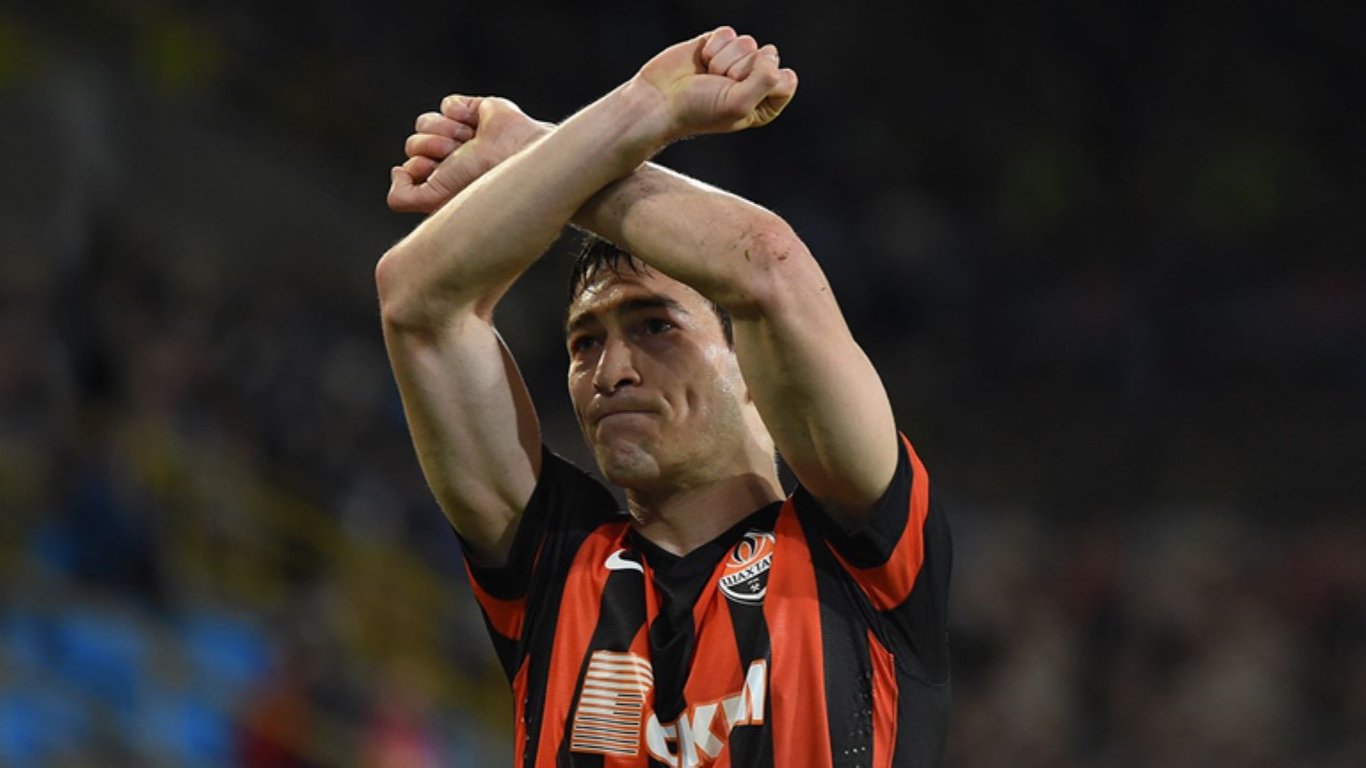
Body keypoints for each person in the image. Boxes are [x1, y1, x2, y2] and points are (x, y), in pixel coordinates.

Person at [376, 26, 951, 767]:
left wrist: (534, 147)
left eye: (655, 327)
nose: (610, 371)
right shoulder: (557, 569)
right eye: (585, 343)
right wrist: (634, 112)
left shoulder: (861, 550)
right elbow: (416, 305)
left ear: (754, 367)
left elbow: (765, 262)